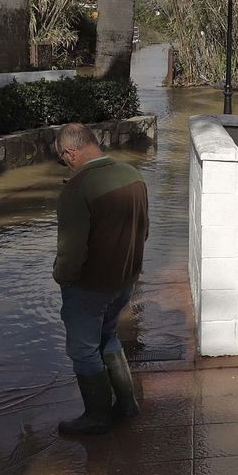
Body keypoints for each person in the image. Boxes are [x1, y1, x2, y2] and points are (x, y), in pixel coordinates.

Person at [51, 122, 150, 436]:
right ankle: (126, 403)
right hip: (125, 281)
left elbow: (71, 250)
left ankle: (96, 416)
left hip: (90, 286)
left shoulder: (77, 188)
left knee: (83, 350)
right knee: (108, 337)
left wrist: (62, 278)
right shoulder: (133, 175)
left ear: (71, 153)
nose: (65, 163)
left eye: (63, 158)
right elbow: (143, 231)